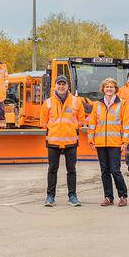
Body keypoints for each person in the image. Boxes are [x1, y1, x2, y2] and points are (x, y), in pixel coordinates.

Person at [89, 77, 129, 206]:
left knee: (115, 170)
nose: (109, 89)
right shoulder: (97, 105)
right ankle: (108, 197)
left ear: (115, 89)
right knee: (104, 171)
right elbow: (92, 124)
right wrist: (91, 139)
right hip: (101, 143)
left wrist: (125, 142)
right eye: (106, 87)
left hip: (115, 143)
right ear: (103, 89)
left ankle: (123, 196)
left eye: (111, 87)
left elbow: (127, 125)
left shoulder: (123, 104)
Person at [42, 75, 84, 207]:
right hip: (53, 141)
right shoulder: (48, 102)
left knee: (71, 170)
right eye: (59, 84)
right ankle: (50, 196)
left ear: (68, 86)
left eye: (63, 84)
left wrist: (71, 127)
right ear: (55, 86)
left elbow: (81, 120)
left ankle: (72, 196)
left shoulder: (76, 102)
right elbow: (43, 122)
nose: (61, 86)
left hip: (70, 141)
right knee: (52, 169)